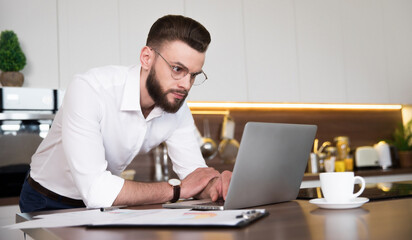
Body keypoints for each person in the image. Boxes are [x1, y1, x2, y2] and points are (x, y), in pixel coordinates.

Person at [19, 15, 232, 213]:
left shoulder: (176, 108)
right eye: (177, 69)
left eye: (193, 75)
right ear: (146, 58)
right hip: (46, 199)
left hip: (100, 204)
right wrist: (177, 190)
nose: (185, 85)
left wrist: (216, 184)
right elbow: (96, 190)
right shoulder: (90, 89)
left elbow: (195, 174)